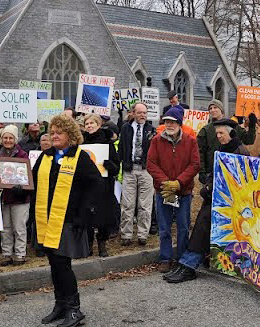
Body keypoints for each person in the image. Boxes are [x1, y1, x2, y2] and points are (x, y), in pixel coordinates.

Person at [32, 114, 101, 327]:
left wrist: (84, 212)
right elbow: (31, 181)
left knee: (63, 264)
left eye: (58, 133)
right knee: (54, 263)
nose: (53, 136)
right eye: (52, 132)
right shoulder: (45, 157)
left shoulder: (79, 157)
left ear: (70, 136)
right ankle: (60, 304)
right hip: (47, 219)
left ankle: (74, 309)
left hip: (69, 220)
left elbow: (96, 185)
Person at [165, 119, 248, 283]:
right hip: (217, 198)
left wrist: (211, 189)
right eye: (217, 133)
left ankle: (189, 265)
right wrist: (210, 186)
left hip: (231, 203)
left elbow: (241, 181)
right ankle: (187, 263)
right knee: (201, 224)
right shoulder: (224, 148)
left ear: (231, 133)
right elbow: (216, 173)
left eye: (221, 133)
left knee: (204, 224)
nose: (218, 136)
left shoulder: (240, 151)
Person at [146, 106, 200, 273]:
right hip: (164, 191)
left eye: (172, 122)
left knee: (183, 226)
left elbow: (195, 164)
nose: (169, 125)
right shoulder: (156, 141)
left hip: (183, 192)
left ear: (180, 123)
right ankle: (165, 258)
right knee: (164, 227)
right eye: (167, 122)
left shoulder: (191, 141)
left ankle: (182, 258)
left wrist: (179, 182)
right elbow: (151, 164)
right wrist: (166, 183)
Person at [82, 114, 120, 258]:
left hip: (104, 185)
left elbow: (116, 167)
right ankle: (88, 244)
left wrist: (109, 165)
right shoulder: (81, 142)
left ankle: (102, 244)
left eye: (92, 123)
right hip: (87, 185)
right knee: (87, 215)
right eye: (87, 124)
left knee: (103, 215)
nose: (89, 126)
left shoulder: (107, 143)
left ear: (99, 125)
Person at [0, 125, 30, 265]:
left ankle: (20, 254)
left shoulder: (23, 155)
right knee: (6, 227)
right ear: (1, 139)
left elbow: (27, 175)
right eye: (5, 137)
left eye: (10, 137)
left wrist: (23, 188)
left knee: (19, 227)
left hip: (20, 198)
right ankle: (7, 254)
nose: (8, 140)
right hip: (4, 198)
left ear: (15, 139)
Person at [119, 103, 156, 246]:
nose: (142, 115)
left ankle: (142, 234)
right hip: (129, 169)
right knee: (127, 204)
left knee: (145, 205)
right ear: (133, 113)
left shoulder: (151, 130)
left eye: (145, 113)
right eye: (140, 112)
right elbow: (121, 148)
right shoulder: (126, 128)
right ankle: (126, 235)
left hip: (146, 170)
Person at [197, 100, 250, 182]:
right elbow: (200, 151)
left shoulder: (232, 125)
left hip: (231, 171)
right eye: (210, 108)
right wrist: (202, 171)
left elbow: (248, 140)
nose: (212, 110)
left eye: (215, 107)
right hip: (211, 171)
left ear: (221, 109)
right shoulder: (205, 130)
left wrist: (252, 126)